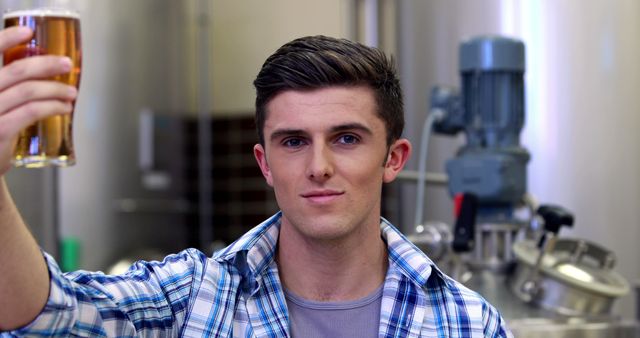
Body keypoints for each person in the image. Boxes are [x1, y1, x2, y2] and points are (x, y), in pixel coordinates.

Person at [0, 27, 512, 337]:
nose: (318, 166)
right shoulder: (196, 297)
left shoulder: (466, 322)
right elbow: (47, 317)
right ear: (265, 165)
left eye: (347, 138)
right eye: (293, 142)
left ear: (394, 158)